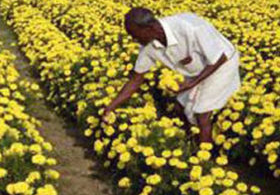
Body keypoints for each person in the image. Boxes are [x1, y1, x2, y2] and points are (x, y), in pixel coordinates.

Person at [102, 8, 240, 145]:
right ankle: (190, 141)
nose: (134, 39)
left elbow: (220, 57)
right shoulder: (147, 46)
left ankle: (205, 158)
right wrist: (111, 107)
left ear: (149, 28)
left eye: (134, 34)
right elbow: (136, 79)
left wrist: (192, 84)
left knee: (201, 114)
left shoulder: (190, 28)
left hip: (223, 64)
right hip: (198, 71)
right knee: (179, 107)